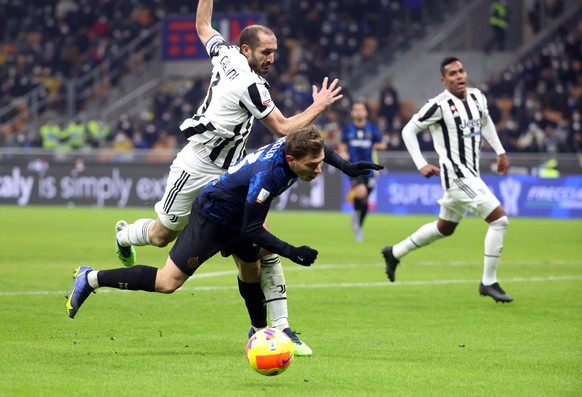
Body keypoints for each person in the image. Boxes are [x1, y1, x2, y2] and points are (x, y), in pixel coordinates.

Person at [112, 0, 347, 356]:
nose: (272, 58)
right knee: (162, 236)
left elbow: (203, 25)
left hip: (232, 171)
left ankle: (277, 330)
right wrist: (318, 106)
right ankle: (125, 235)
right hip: (197, 166)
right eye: (266, 52)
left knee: (260, 246)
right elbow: (283, 128)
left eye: (275, 52)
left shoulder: (226, 54)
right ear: (247, 49)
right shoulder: (252, 86)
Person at [66, 126, 382, 340]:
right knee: (167, 283)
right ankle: (91, 278)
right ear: (291, 160)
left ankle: (261, 335)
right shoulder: (268, 177)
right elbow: (252, 228)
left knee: (252, 270)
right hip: (213, 217)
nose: (318, 169)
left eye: (321, 164)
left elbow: (319, 145)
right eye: (313, 165)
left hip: (240, 214)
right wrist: (293, 251)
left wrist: (348, 167)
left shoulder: (297, 149)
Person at [381, 57, 513, 303]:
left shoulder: (477, 97)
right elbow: (408, 130)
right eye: (452, 74)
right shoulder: (439, 105)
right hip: (457, 176)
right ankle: (488, 282)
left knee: (445, 228)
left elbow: (486, 123)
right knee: (500, 221)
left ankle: (394, 252)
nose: (459, 76)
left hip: (471, 174)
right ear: (444, 80)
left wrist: (500, 151)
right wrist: (421, 163)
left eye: (461, 71)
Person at [339, 101, 386, 242]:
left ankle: (358, 224)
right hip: (354, 167)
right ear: (352, 113)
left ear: (366, 112)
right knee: (361, 192)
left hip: (370, 168)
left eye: (361, 109)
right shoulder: (348, 129)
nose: (359, 112)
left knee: (365, 199)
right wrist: (343, 152)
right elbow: (342, 144)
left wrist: (379, 146)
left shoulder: (372, 128)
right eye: (356, 109)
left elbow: (382, 143)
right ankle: (356, 215)